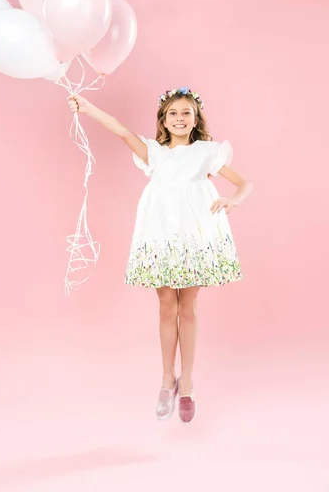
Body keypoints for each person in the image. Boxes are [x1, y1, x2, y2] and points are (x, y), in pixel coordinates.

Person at [67, 87, 253, 423]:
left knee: (189, 307)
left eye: (186, 113)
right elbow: (121, 130)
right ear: (163, 120)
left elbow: (243, 183)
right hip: (161, 233)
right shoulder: (153, 152)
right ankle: (168, 379)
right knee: (167, 306)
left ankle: (188, 384)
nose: (180, 119)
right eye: (173, 114)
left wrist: (234, 200)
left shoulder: (207, 152)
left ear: (196, 120)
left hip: (195, 235)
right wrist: (89, 108)